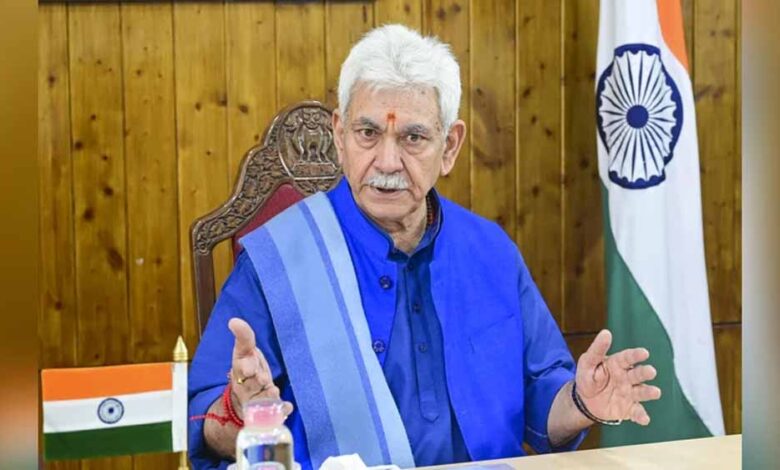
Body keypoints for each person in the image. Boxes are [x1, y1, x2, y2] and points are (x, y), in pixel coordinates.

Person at [188, 24, 661, 470]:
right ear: (339, 135)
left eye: (413, 137)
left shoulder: (490, 252)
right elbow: (204, 424)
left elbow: (544, 401)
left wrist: (581, 402)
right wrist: (240, 413)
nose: (387, 161)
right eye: (368, 133)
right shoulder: (279, 260)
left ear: (450, 146)